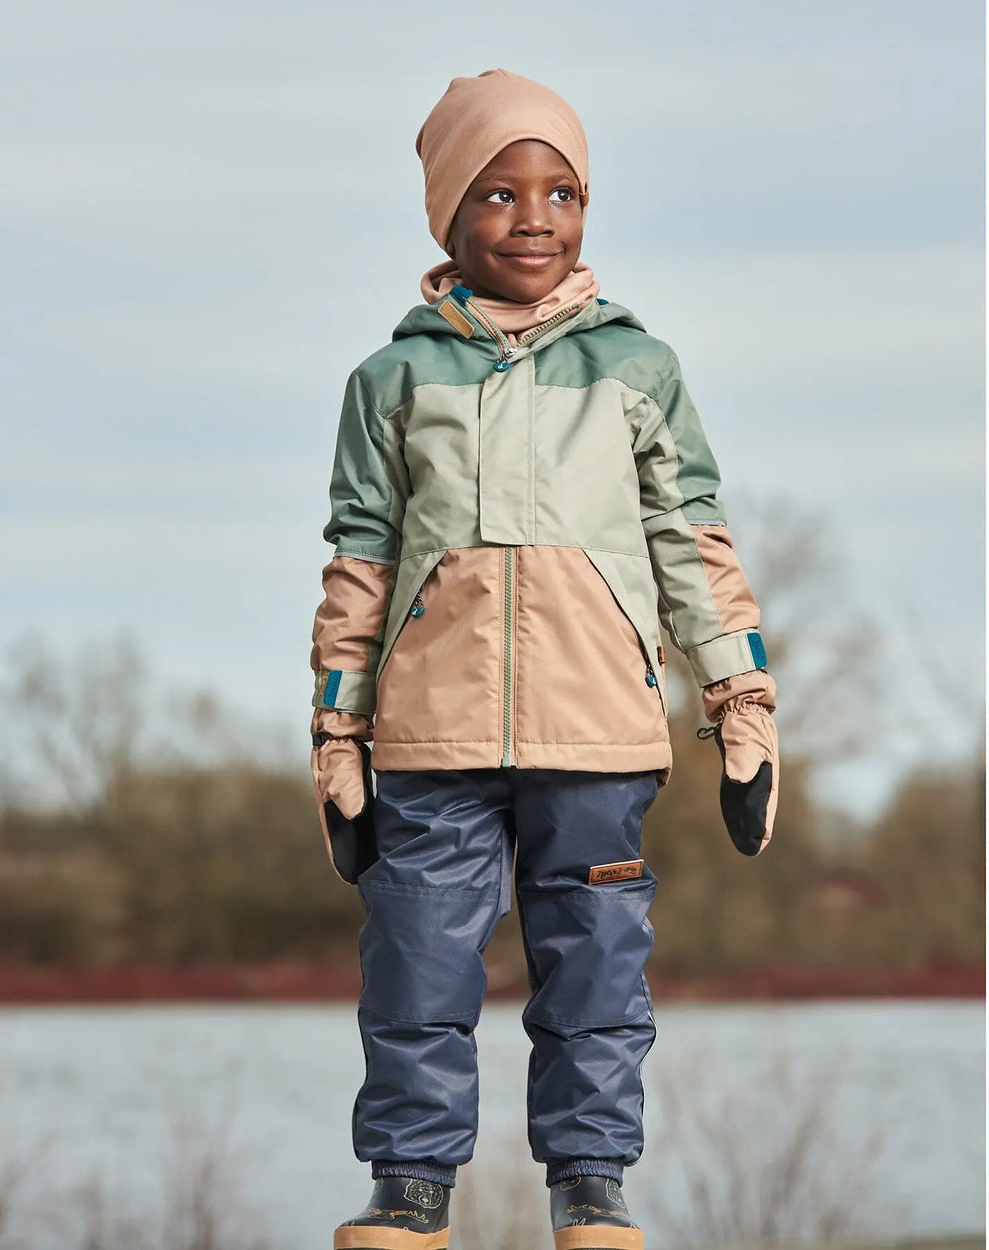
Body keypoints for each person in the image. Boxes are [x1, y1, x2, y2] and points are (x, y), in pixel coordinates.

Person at [309, 68, 779, 1250]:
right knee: (415, 966)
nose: (534, 218)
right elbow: (360, 558)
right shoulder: (391, 380)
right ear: (447, 214)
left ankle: (591, 1184)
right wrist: (337, 731)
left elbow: (690, 536)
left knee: (597, 970)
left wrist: (739, 700)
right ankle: (410, 1187)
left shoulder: (637, 368)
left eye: (561, 193)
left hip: (598, 731)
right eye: (499, 193)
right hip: (431, 737)